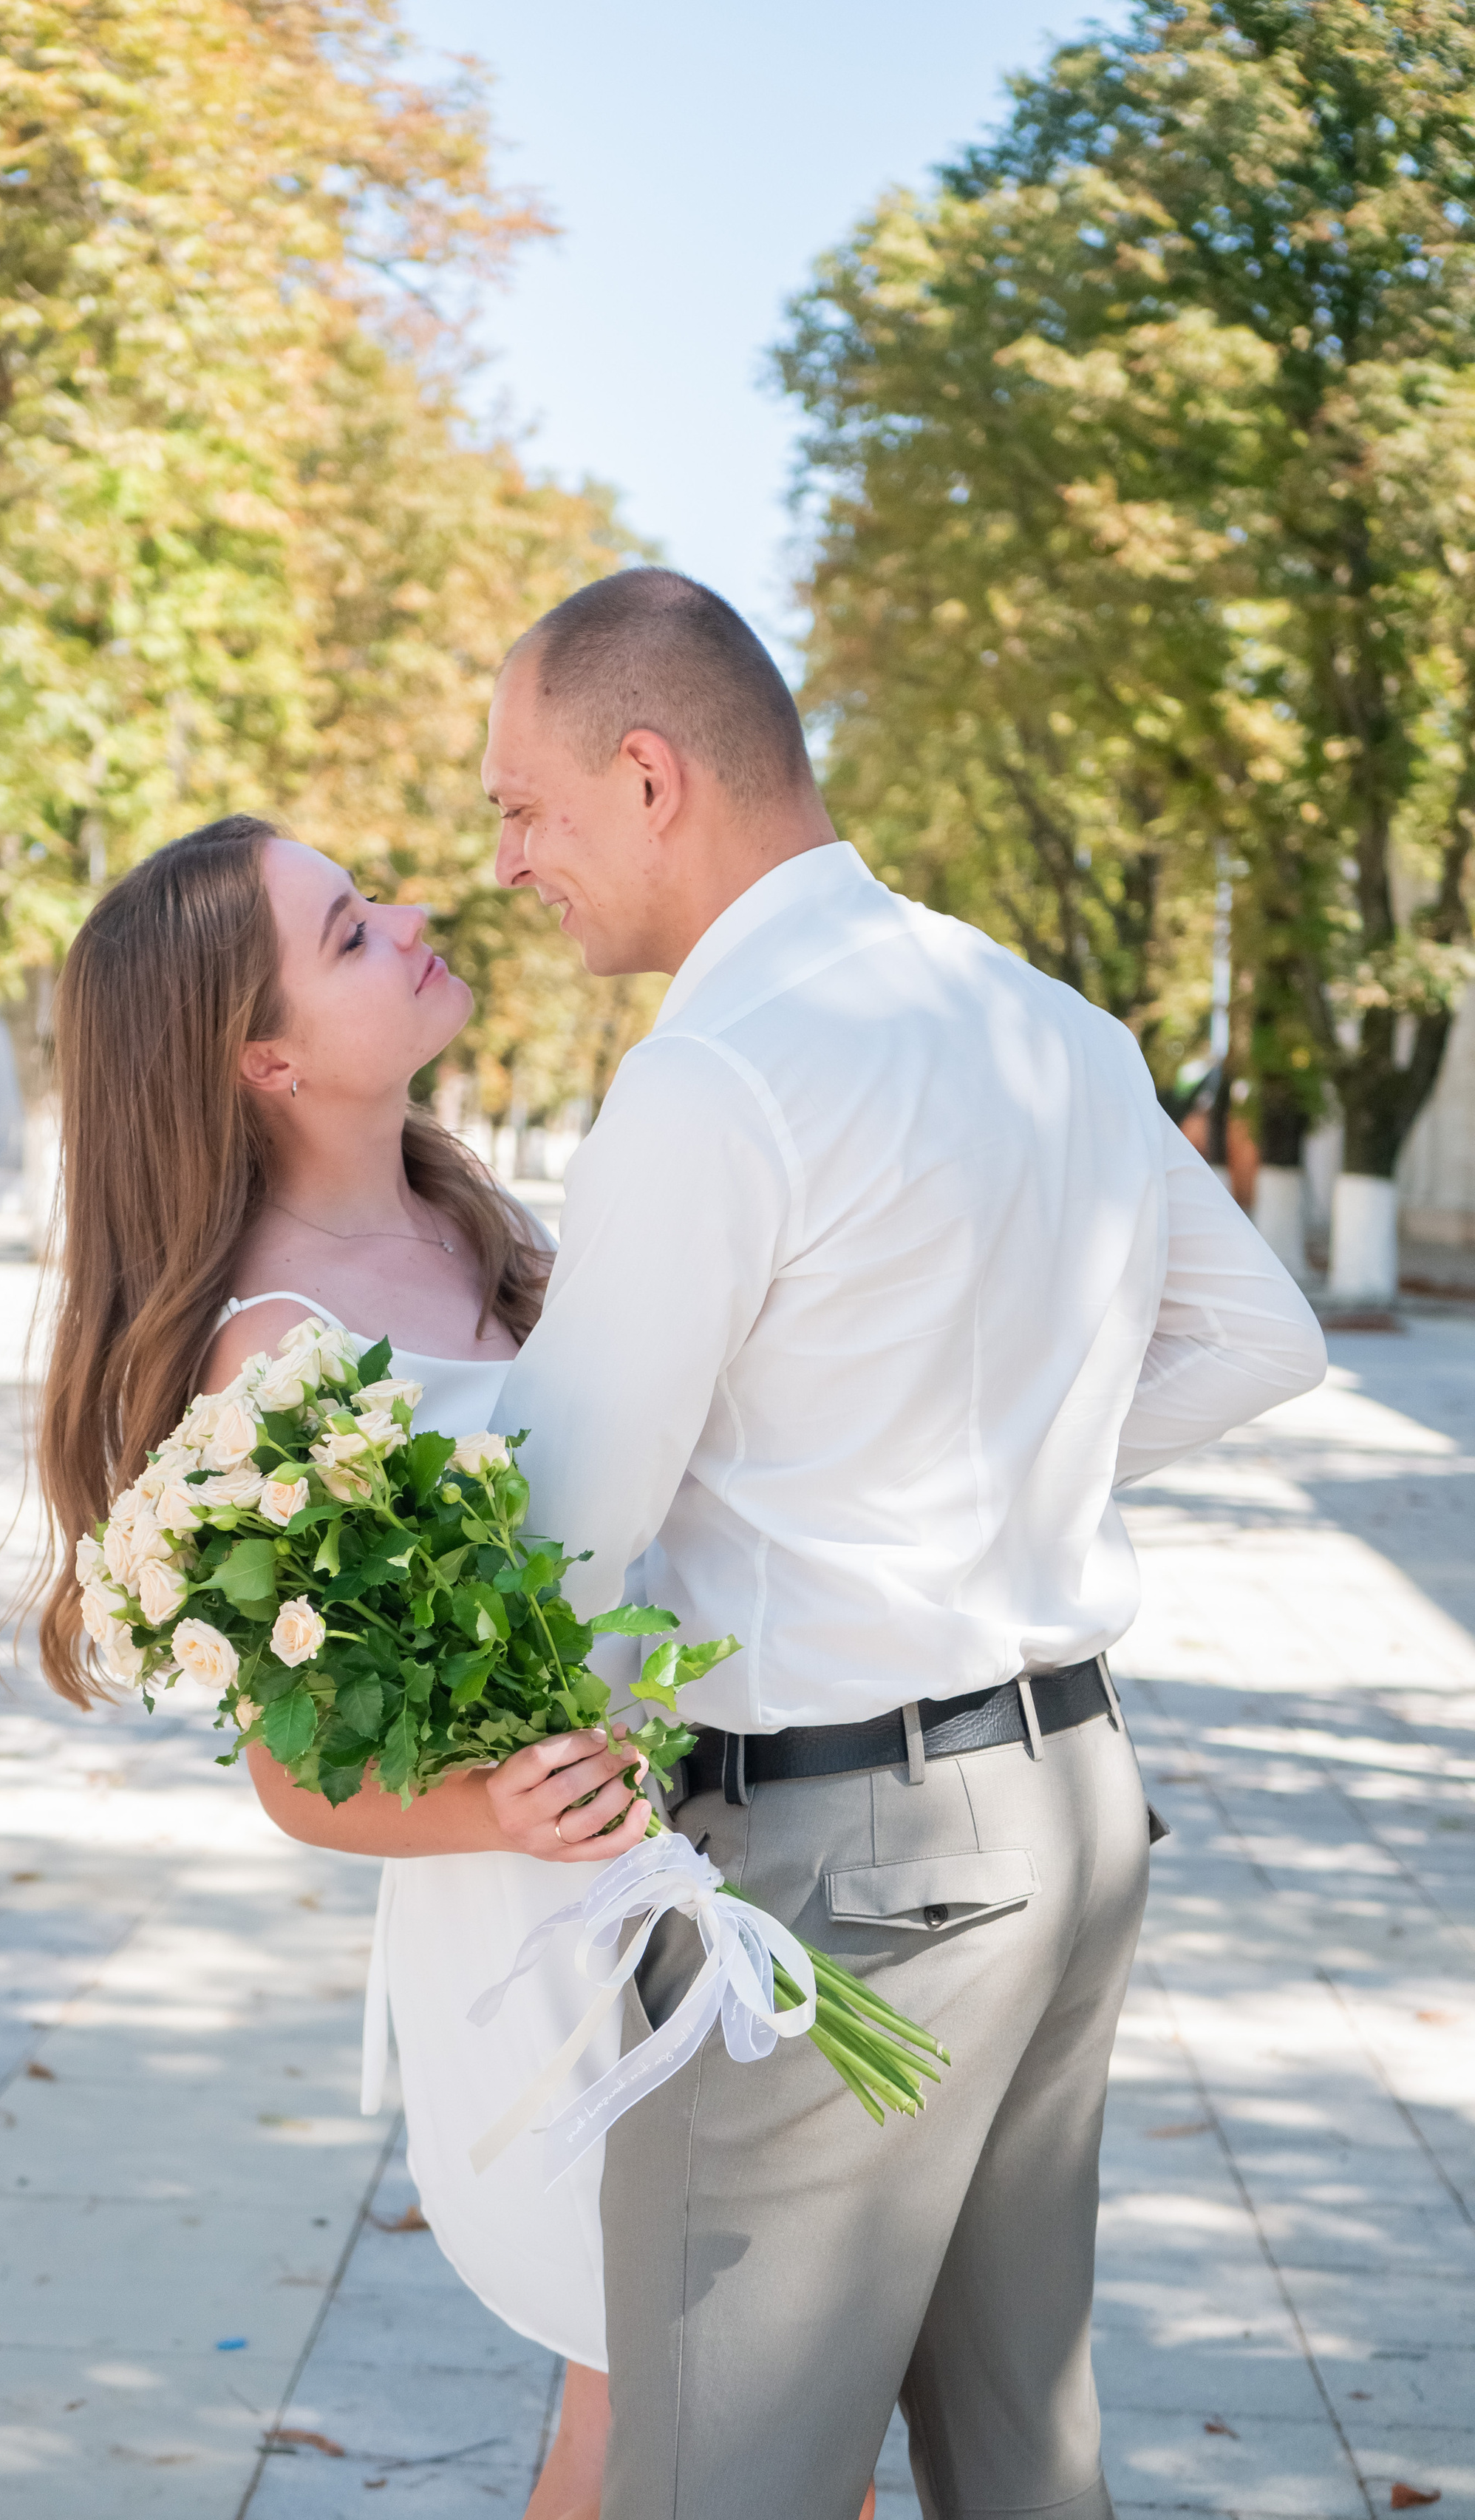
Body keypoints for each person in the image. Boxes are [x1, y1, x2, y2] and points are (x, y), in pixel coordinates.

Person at [483, 568, 1329, 2520]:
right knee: (1025, 2462)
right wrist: (973, 1490)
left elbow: (563, 1538)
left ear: (648, 772)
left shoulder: (715, 1073)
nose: (508, 859)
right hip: (1074, 1810)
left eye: (523, 805)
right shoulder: (1051, 1023)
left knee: (712, 2486)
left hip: (846, 1869)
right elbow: (1264, 1335)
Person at [33, 817, 653, 2520]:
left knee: (690, 2426)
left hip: (682, 1865)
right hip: (542, 1933)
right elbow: (299, 1778)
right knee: (711, 2421)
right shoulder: (276, 1356)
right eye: (351, 929)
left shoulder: (485, 1233)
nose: (414, 914)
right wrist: (506, 1810)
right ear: (266, 1055)